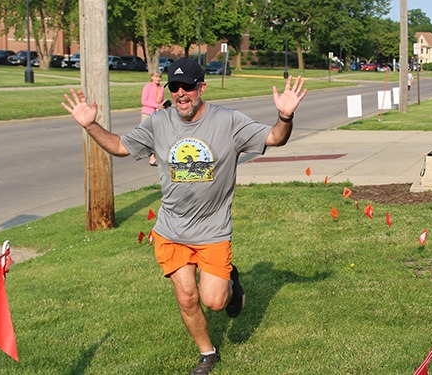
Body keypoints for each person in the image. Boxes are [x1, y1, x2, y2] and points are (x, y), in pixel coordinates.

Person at [60, 58, 307, 375]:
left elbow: (274, 137)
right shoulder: (158, 122)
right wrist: (90, 125)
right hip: (171, 229)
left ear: (201, 87)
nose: (180, 93)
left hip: (212, 231)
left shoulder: (228, 121)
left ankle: (232, 282)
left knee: (214, 301)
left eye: (187, 86)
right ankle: (207, 353)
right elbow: (121, 146)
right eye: (174, 87)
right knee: (187, 298)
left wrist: (285, 116)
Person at [141, 72, 165, 166]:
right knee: (148, 135)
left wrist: (162, 106)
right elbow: (144, 101)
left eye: (159, 77)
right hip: (147, 113)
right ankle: (151, 155)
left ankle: (153, 157)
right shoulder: (148, 87)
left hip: (157, 113)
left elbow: (161, 101)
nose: (158, 79)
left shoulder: (161, 88)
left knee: (157, 136)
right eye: (156, 77)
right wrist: (156, 105)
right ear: (152, 77)